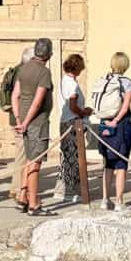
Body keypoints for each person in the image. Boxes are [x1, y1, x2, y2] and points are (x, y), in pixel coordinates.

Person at [13, 38, 56, 216]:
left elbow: (15, 96)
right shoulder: (44, 72)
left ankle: (23, 198)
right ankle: (33, 204)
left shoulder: (23, 69)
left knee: (28, 160)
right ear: (48, 54)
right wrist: (25, 122)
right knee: (35, 163)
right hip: (36, 123)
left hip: (24, 120)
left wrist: (18, 119)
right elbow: (38, 102)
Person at [95, 52, 131, 210]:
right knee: (121, 163)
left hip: (103, 123)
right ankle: (119, 200)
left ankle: (105, 199)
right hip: (120, 125)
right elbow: (125, 106)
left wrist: (107, 121)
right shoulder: (127, 83)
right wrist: (116, 121)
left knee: (107, 163)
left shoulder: (103, 80)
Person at [56, 54, 90, 203]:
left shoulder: (65, 80)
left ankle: (63, 188)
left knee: (67, 156)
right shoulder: (72, 84)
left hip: (65, 121)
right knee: (72, 157)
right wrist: (84, 112)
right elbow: (73, 105)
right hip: (72, 122)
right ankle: (69, 190)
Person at [9, 45, 33, 199]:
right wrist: (20, 119)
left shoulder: (18, 71)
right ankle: (18, 189)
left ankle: (18, 187)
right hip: (21, 120)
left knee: (22, 154)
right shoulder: (22, 73)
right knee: (22, 155)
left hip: (20, 118)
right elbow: (16, 96)